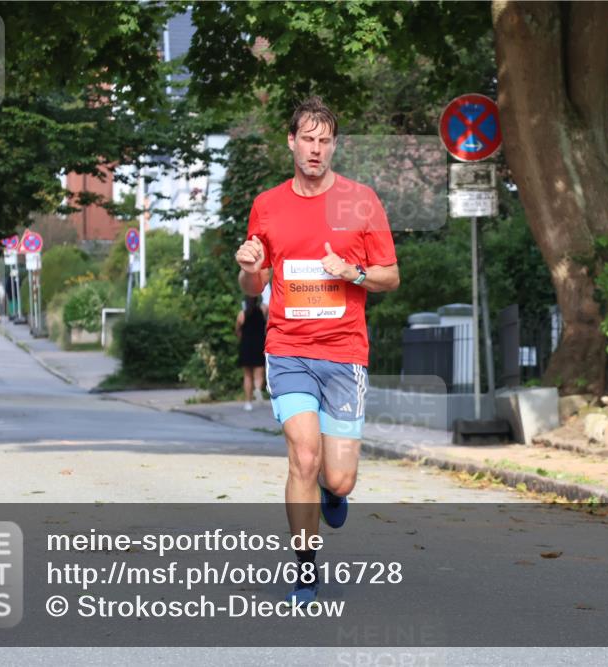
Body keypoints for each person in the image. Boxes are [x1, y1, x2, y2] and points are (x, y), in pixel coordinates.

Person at [235, 97, 399, 607]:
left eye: (325, 140)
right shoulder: (267, 205)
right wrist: (247, 265)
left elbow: (390, 277)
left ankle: (334, 491)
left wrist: (350, 272)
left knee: (338, 476)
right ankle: (305, 572)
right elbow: (252, 284)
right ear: (291, 142)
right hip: (287, 348)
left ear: (334, 145)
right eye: (307, 139)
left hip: (345, 353)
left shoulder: (361, 201)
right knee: (302, 456)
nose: (316, 149)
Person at [235, 295, 268, 411]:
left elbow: (237, 330)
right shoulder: (262, 311)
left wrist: (242, 339)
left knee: (247, 375)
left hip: (246, 346)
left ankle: (248, 402)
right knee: (259, 373)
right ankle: (258, 388)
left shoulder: (242, 314)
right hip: (259, 345)